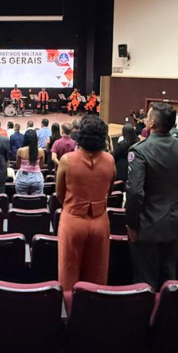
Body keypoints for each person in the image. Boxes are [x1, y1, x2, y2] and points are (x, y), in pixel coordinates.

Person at [126, 104, 178, 288]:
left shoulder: (139, 150)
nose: (145, 119)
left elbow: (135, 192)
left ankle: (147, 315)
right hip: (174, 219)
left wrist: (132, 222)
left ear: (152, 123)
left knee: (145, 279)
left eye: (147, 117)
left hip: (146, 224)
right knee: (169, 274)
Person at [56, 116, 115, 288]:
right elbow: (109, 191)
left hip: (73, 220)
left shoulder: (67, 160)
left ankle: (70, 310)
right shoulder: (110, 161)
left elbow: (60, 193)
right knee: (98, 271)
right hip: (100, 221)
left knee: (68, 271)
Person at [15, 129, 45, 195]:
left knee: (21, 199)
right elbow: (41, 166)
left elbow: (17, 165)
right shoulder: (40, 151)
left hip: (23, 177)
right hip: (37, 178)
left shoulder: (20, 150)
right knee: (37, 200)